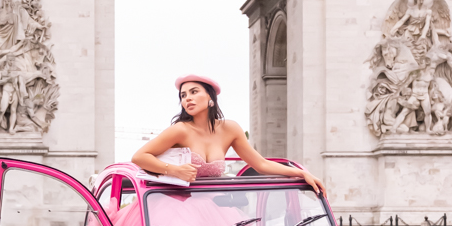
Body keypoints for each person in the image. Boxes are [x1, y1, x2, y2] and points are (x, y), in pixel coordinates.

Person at [132, 74, 326, 195]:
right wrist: (174, 170)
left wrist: (301, 173)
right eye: (183, 95)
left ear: (210, 98)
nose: (188, 98)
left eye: (194, 92)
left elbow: (261, 164)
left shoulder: (230, 129)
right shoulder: (180, 130)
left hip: (212, 203)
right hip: (177, 202)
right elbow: (139, 157)